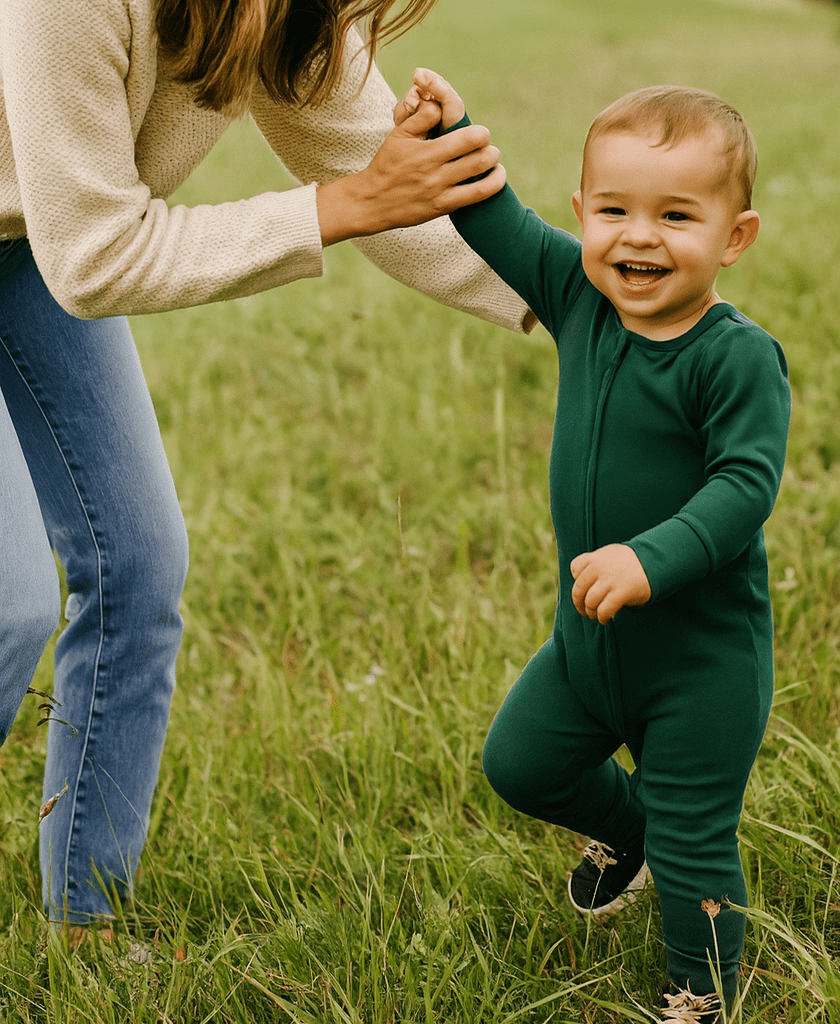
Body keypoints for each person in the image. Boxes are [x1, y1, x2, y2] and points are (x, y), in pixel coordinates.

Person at [0, 0, 531, 944]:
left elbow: (380, 177)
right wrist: (342, 207)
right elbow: (95, 255)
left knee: (139, 565)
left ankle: (86, 923)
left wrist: (599, 306)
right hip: (61, 244)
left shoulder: (274, 9)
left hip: (24, 245)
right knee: (9, 605)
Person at [398, 70, 791, 1022]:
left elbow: (745, 486)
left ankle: (698, 999)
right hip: (589, 645)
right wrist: (450, 131)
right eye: (613, 209)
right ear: (583, 215)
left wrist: (650, 557)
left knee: (700, 841)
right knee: (522, 765)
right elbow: (495, 222)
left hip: (700, 663)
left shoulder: (734, 356)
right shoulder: (579, 296)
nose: (639, 236)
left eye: (676, 216)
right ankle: (628, 836)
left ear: (732, 237)